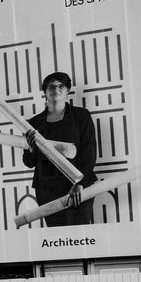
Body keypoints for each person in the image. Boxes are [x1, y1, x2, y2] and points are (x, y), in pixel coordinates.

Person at [22, 71, 99, 227]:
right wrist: (31, 149)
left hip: (78, 186)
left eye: (60, 86)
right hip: (47, 189)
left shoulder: (81, 115)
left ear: (67, 90)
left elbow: (89, 152)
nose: (56, 89)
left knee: (80, 233)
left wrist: (80, 183)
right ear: (45, 92)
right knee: (56, 234)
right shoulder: (33, 123)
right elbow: (29, 162)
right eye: (51, 86)